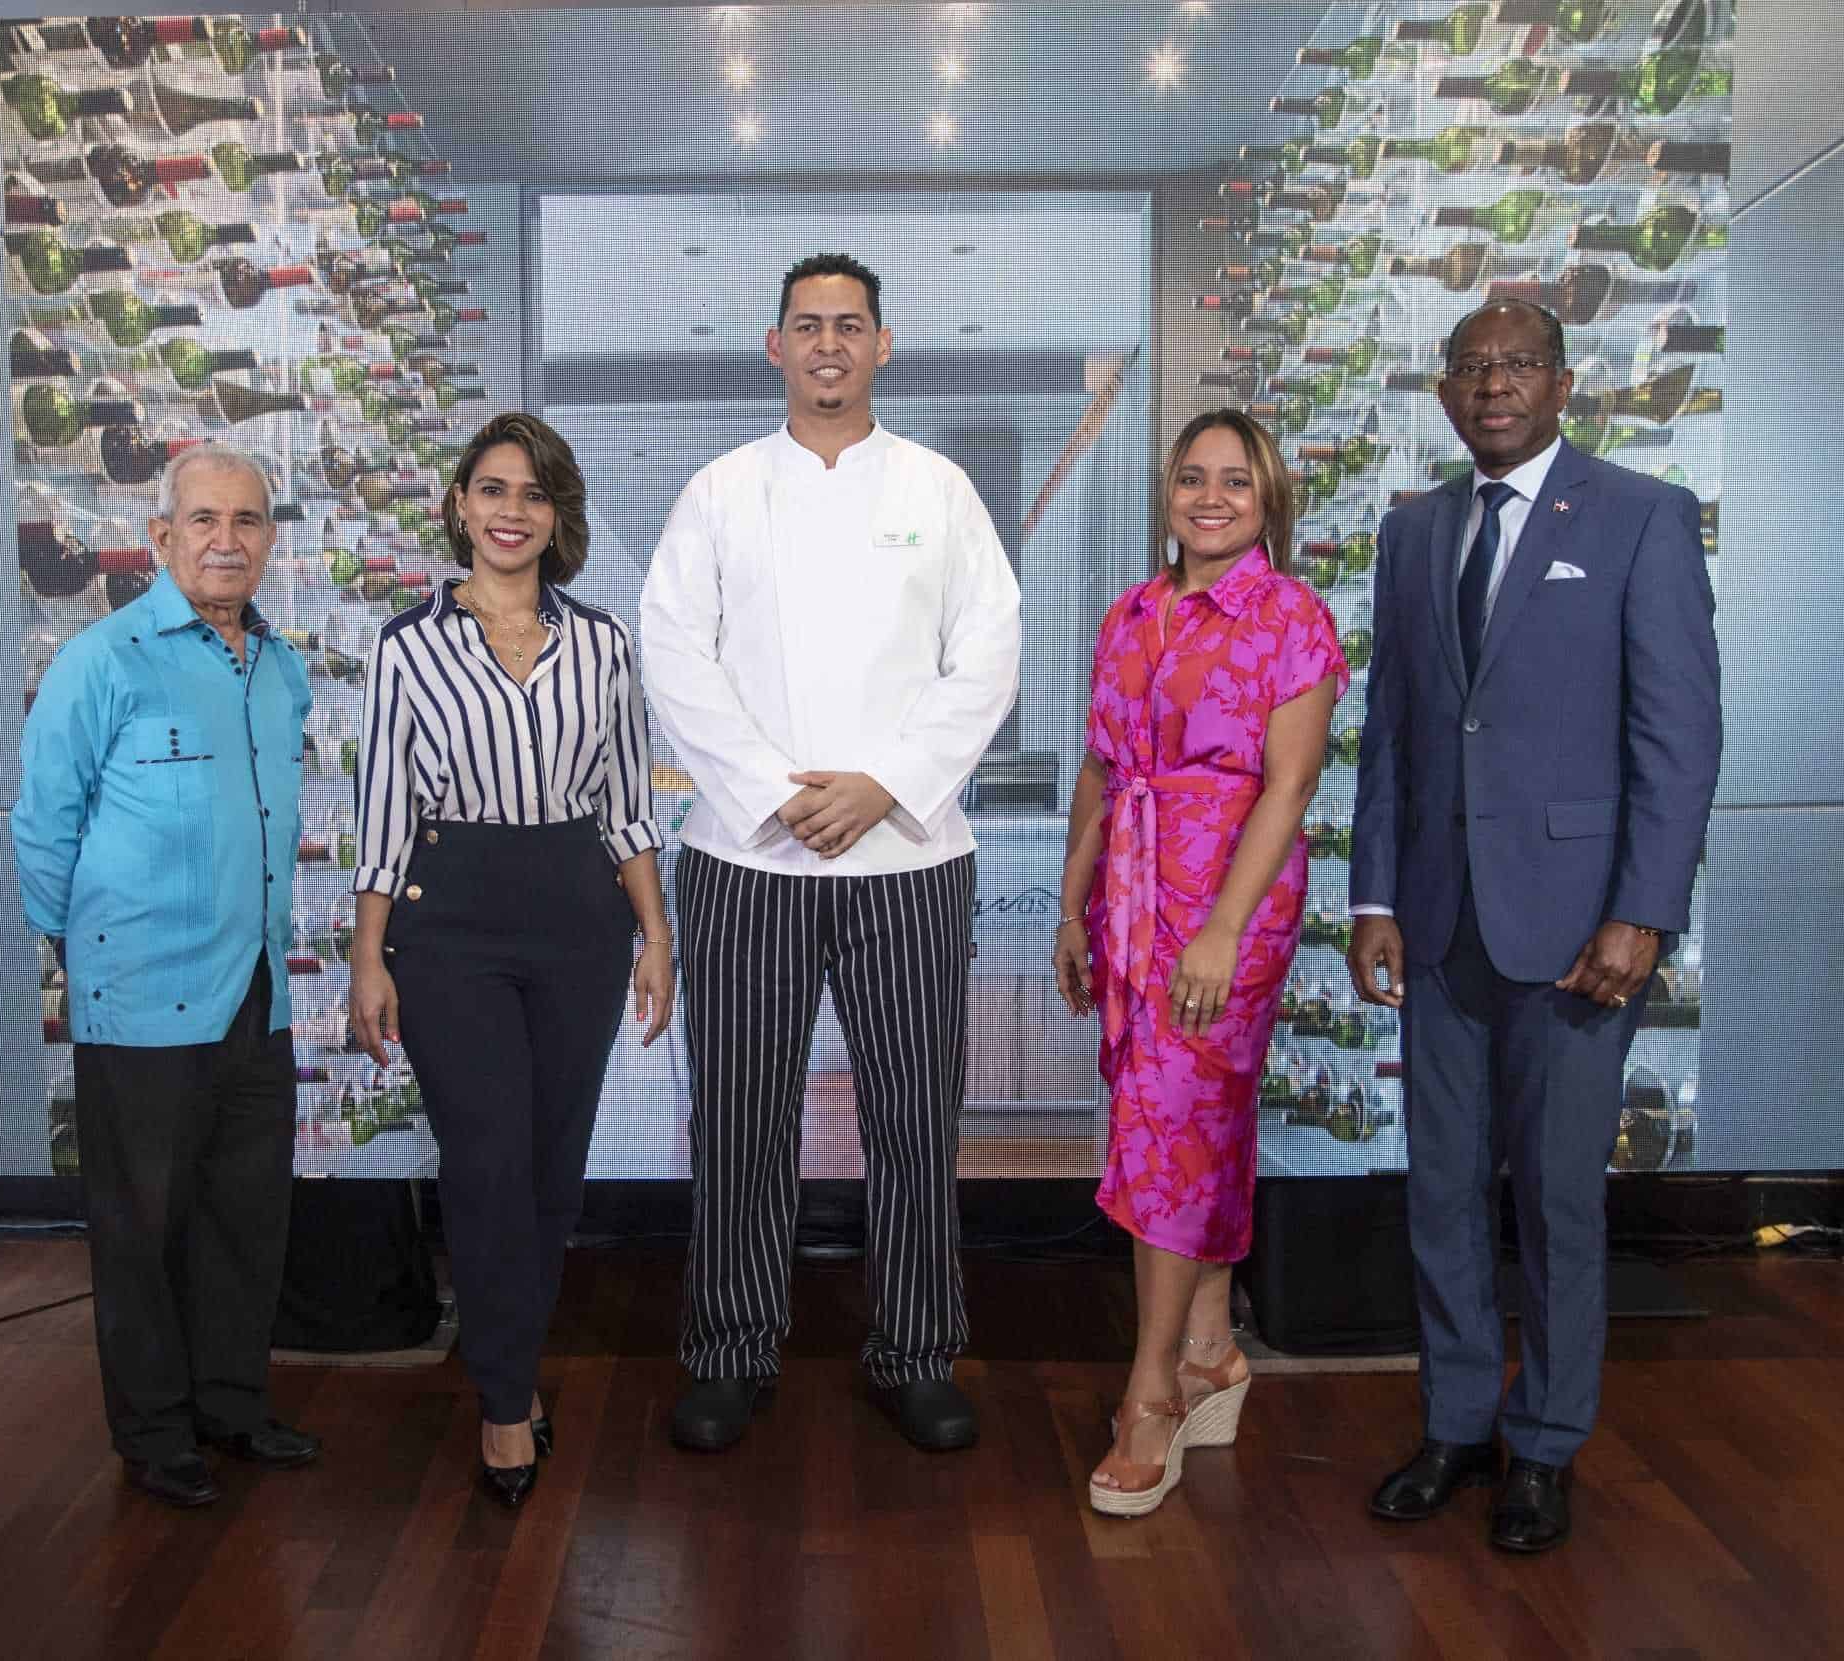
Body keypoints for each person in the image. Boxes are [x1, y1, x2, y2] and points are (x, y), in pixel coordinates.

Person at [1350, 299, 1720, 1553]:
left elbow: (1675, 736)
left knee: (1557, 1200)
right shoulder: (1411, 533)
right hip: (1441, 926)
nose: (1490, 384)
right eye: (1468, 366)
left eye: (1514, 365)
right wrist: (1372, 896)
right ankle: (1456, 1423)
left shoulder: (1640, 516)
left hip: (1575, 935)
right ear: (1444, 392)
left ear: (1562, 383)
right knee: (1439, 1191)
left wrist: (1643, 910)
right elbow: (1396, 732)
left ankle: (1545, 1445)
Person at [639, 252, 1021, 1454]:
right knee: (740, 1117)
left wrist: (884, 786)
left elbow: (989, 655)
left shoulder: (939, 489)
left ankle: (914, 1351)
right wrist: (770, 795)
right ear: (773, 346)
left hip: (906, 856)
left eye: (848, 325)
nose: (826, 345)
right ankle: (731, 1351)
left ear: (882, 345)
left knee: (915, 1117)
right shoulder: (718, 491)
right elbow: (673, 655)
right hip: (743, 859)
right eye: (805, 325)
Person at [348, 412, 672, 1510]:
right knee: (484, 1159)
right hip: (449, 928)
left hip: (579, 922)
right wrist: (366, 955)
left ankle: (511, 1366)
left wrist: (657, 937)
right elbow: (385, 808)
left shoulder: (602, 645)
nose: (508, 511)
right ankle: (500, 1401)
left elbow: (625, 804)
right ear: (458, 506)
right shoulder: (407, 646)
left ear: (555, 516)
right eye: (490, 489)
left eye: (530, 494)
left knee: (547, 1170)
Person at [12, 444, 319, 1509]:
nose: (226, 539)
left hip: (255, 990)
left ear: (269, 539)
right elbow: (42, 827)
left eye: (246, 519)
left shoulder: (282, 668)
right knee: (140, 1229)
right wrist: (86, 951)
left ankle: (231, 1406)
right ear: (161, 539)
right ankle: (153, 1434)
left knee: (245, 1215)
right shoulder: (104, 662)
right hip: (136, 997)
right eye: (203, 520)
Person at [1053, 410, 1344, 1517]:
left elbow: (1289, 786)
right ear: (1166, 492)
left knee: (1166, 1138)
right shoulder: (1132, 611)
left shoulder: (1291, 619)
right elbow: (1100, 763)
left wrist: (1220, 929)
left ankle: (1149, 1396)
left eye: (1233, 479)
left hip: (1228, 899)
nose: (1209, 496)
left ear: (1266, 496)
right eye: (1190, 477)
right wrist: (1074, 905)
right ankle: (1212, 1346)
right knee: (1178, 1120)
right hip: (1129, 894)